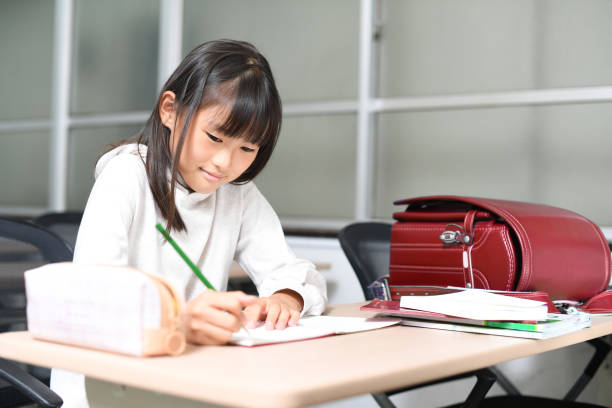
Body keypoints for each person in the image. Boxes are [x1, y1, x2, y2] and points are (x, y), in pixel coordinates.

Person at [51, 39, 327, 407]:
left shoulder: (236, 194)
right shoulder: (126, 176)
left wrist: (286, 296)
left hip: (193, 381)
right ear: (170, 110)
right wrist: (177, 320)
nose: (225, 163)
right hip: (110, 385)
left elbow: (291, 270)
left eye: (248, 149)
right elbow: (94, 296)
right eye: (215, 137)